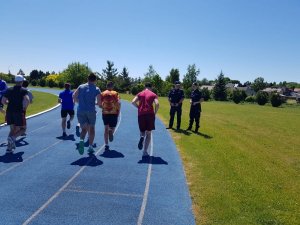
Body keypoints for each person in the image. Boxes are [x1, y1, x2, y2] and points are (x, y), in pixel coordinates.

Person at [73, 73, 101, 155]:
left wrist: (79, 102)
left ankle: (81, 141)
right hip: (91, 111)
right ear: (95, 80)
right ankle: (90, 147)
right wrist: (95, 103)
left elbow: (74, 95)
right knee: (91, 128)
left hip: (80, 110)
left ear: (87, 79)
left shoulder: (81, 86)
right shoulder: (97, 89)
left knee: (84, 129)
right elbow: (99, 103)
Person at [1, 75, 29, 153]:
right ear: (22, 81)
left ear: (15, 81)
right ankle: (13, 138)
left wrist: (8, 103)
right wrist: (24, 108)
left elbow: (3, 101)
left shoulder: (9, 90)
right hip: (18, 112)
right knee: (23, 129)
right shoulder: (23, 90)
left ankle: (9, 149)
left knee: (13, 129)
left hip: (9, 112)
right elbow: (27, 100)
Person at [132, 82, 159, 159]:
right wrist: (155, 113)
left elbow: (133, 102)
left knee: (142, 131)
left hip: (141, 114)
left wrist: (139, 107)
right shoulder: (153, 94)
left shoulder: (140, 93)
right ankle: (145, 152)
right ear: (151, 87)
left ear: (145, 87)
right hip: (150, 114)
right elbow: (157, 104)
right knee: (149, 133)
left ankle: (142, 137)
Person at [99, 81, 121, 151]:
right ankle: (111, 130)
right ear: (112, 86)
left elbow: (99, 103)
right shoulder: (115, 93)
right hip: (113, 113)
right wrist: (118, 111)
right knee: (113, 127)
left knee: (105, 128)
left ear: (106, 86)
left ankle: (106, 145)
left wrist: (102, 108)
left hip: (105, 113)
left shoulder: (102, 93)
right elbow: (119, 103)